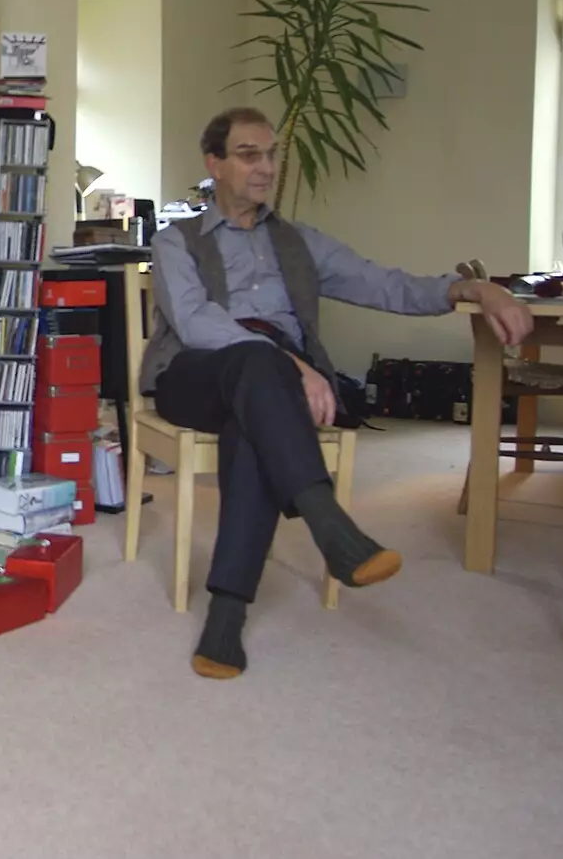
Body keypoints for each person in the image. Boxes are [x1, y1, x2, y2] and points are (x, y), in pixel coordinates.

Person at [141, 106, 534, 680]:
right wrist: (291, 364)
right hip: (195, 376)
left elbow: (386, 284)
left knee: (250, 427)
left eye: (272, 154)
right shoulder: (177, 241)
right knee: (254, 361)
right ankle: (329, 521)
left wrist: (475, 287)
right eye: (250, 154)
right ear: (215, 164)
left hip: (266, 390)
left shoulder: (300, 243)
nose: (266, 167)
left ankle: (225, 616)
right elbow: (198, 324)